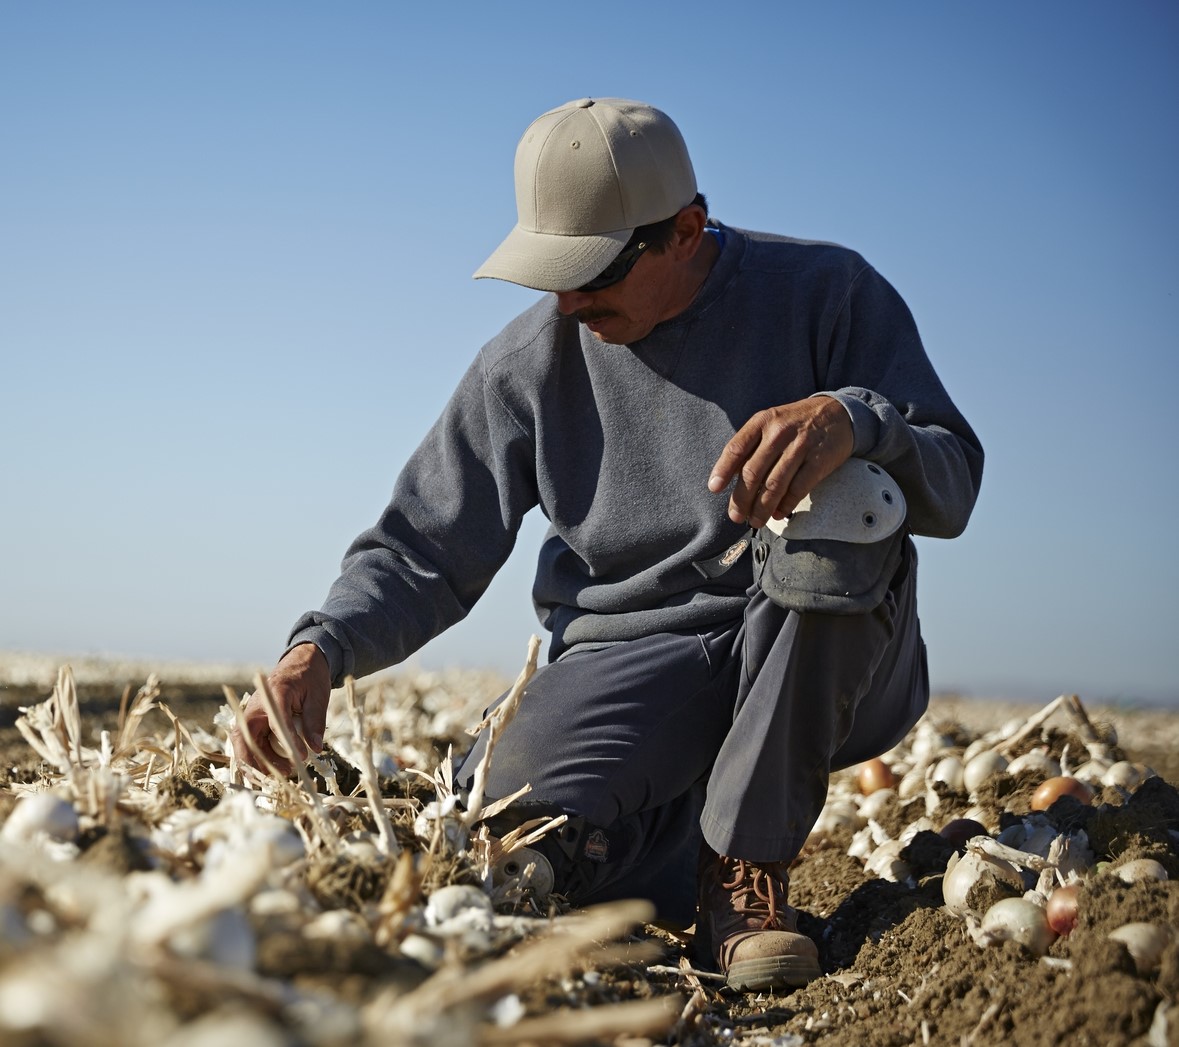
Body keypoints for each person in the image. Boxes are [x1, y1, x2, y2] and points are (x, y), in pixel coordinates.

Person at [232, 97, 983, 992]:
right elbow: (423, 546)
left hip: (828, 650)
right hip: (637, 661)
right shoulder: (524, 365)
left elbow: (953, 476)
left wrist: (855, 422)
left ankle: (746, 876)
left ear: (686, 229)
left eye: (592, 272)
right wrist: (319, 649)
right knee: (501, 835)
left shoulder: (827, 293)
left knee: (850, 494)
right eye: (551, 273)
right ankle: (673, 848)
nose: (568, 300)